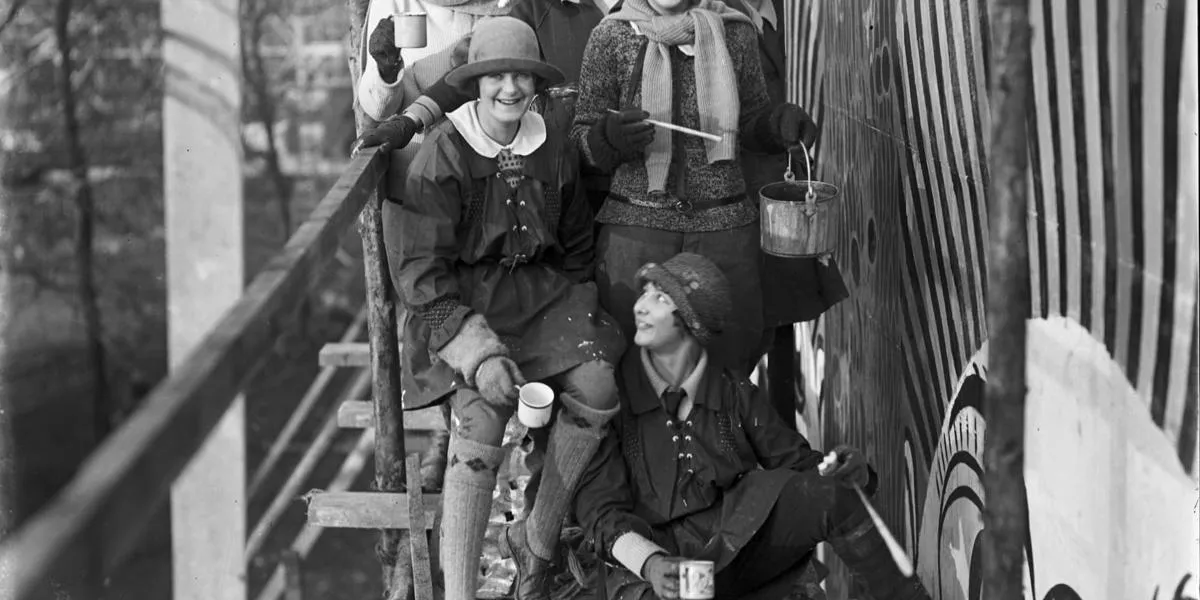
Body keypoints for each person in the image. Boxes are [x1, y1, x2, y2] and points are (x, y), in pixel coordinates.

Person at [382, 17, 626, 600]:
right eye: (496, 77)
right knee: (483, 417)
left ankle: (537, 541)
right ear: (475, 83)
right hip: (466, 304)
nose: (510, 89)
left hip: (541, 295)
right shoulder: (446, 148)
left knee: (597, 386)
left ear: (535, 82)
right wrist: (476, 352)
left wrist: (577, 315)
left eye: (521, 75)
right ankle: (461, 591)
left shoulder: (552, 139)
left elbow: (573, 244)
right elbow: (419, 272)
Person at [572, 252, 931, 599]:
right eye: (645, 294)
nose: (641, 306)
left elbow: (799, 465)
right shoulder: (615, 400)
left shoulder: (733, 392)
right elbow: (601, 513)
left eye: (660, 297)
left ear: (691, 321)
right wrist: (650, 563)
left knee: (833, 494)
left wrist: (850, 474)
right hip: (665, 569)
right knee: (688, 592)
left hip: (739, 547)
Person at [569, 0, 818, 372]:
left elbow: (749, 123)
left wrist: (775, 125)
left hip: (724, 230)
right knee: (630, 373)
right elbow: (580, 138)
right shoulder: (611, 35)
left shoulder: (736, 31)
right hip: (636, 232)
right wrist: (607, 140)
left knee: (727, 373)